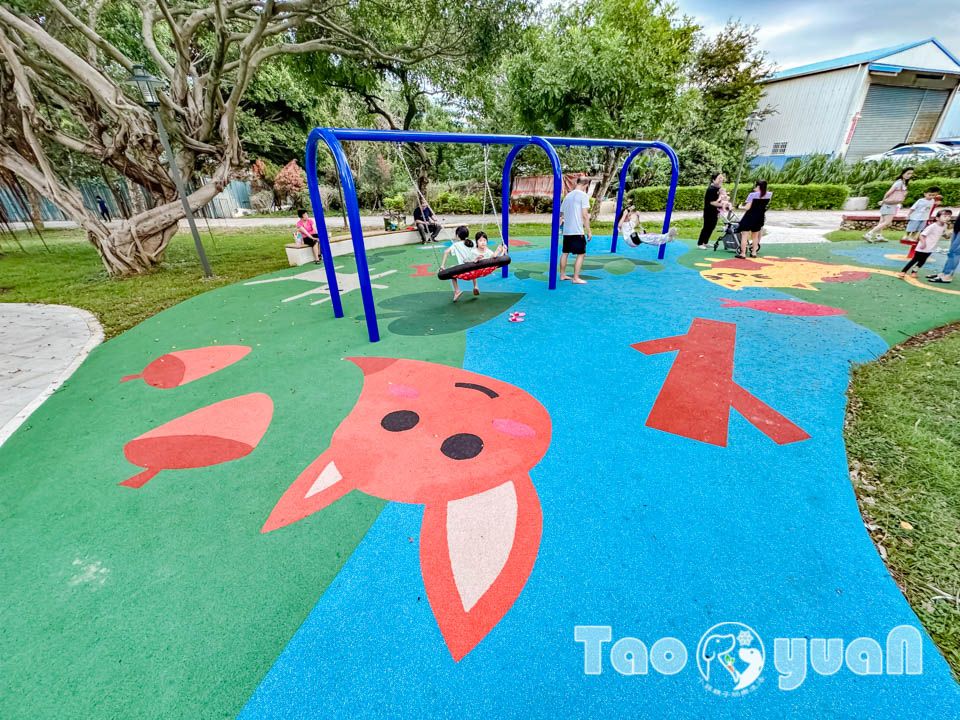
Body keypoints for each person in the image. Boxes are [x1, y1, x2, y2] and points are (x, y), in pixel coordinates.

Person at [899, 208, 953, 278]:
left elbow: (944, 234)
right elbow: (922, 235)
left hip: (931, 247)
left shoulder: (944, 226)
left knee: (922, 261)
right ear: (937, 218)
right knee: (915, 259)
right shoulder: (932, 226)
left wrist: (950, 234)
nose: (947, 218)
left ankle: (914, 271)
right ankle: (903, 271)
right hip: (923, 247)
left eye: (949, 216)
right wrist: (923, 243)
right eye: (945, 216)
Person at [864, 168, 914, 242]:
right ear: (903, 173)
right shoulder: (899, 182)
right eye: (908, 173)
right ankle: (869, 234)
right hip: (890, 204)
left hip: (891, 204)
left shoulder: (902, 182)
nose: (909, 175)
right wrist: (884, 201)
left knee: (882, 221)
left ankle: (879, 236)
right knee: (887, 221)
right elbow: (889, 192)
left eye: (911, 174)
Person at [558, 176, 592, 284]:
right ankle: (576, 278)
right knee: (581, 254)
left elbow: (561, 213)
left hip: (567, 230)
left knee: (565, 252)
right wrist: (589, 231)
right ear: (585, 185)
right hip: (577, 230)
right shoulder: (583, 196)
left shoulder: (568, 196)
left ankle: (562, 275)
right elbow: (585, 215)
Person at [440, 225, 476, 301]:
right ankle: (475, 286)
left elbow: (446, 252)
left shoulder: (456, 245)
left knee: (451, 269)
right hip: (473, 270)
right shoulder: (472, 242)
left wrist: (442, 266)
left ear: (457, 236)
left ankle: (457, 291)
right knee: (472, 264)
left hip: (463, 271)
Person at [737, 180, 772, 259]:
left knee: (744, 235)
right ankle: (754, 252)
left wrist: (740, 207)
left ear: (758, 187)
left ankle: (743, 253)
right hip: (760, 217)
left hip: (750, 216)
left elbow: (747, 207)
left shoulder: (752, 195)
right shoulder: (769, 195)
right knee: (755, 236)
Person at [927, 212, 960, 284]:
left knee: (955, 252)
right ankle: (944, 273)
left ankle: (947, 276)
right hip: (958, 228)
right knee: (951, 253)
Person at [698, 173, 726, 248]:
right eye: (719, 178)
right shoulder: (711, 189)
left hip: (715, 211)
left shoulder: (719, 188)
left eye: (721, 178)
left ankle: (705, 242)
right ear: (714, 180)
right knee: (706, 227)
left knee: (712, 226)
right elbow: (712, 202)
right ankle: (700, 243)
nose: (721, 179)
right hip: (709, 211)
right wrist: (723, 205)